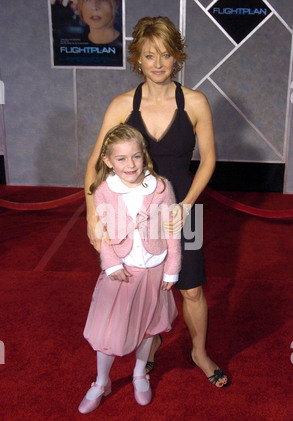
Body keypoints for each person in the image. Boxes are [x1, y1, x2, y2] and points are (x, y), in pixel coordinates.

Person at [84, 16, 228, 388]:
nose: (159, 63)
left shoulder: (194, 102)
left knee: (191, 287)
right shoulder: (122, 104)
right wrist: (91, 217)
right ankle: (151, 341)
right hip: (132, 214)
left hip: (185, 211)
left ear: (176, 57)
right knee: (141, 286)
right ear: (139, 60)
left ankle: (199, 352)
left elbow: (209, 158)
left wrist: (186, 204)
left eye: (166, 54)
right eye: (150, 56)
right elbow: (94, 163)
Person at [79, 124, 181, 414]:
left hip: (154, 271)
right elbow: (104, 231)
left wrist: (171, 269)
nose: (131, 164)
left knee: (148, 326)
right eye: (121, 159)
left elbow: (171, 231)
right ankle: (101, 381)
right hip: (122, 272)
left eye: (136, 156)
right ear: (109, 161)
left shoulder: (160, 187)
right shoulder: (104, 192)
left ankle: (139, 373)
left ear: (144, 156)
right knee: (108, 330)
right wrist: (110, 264)